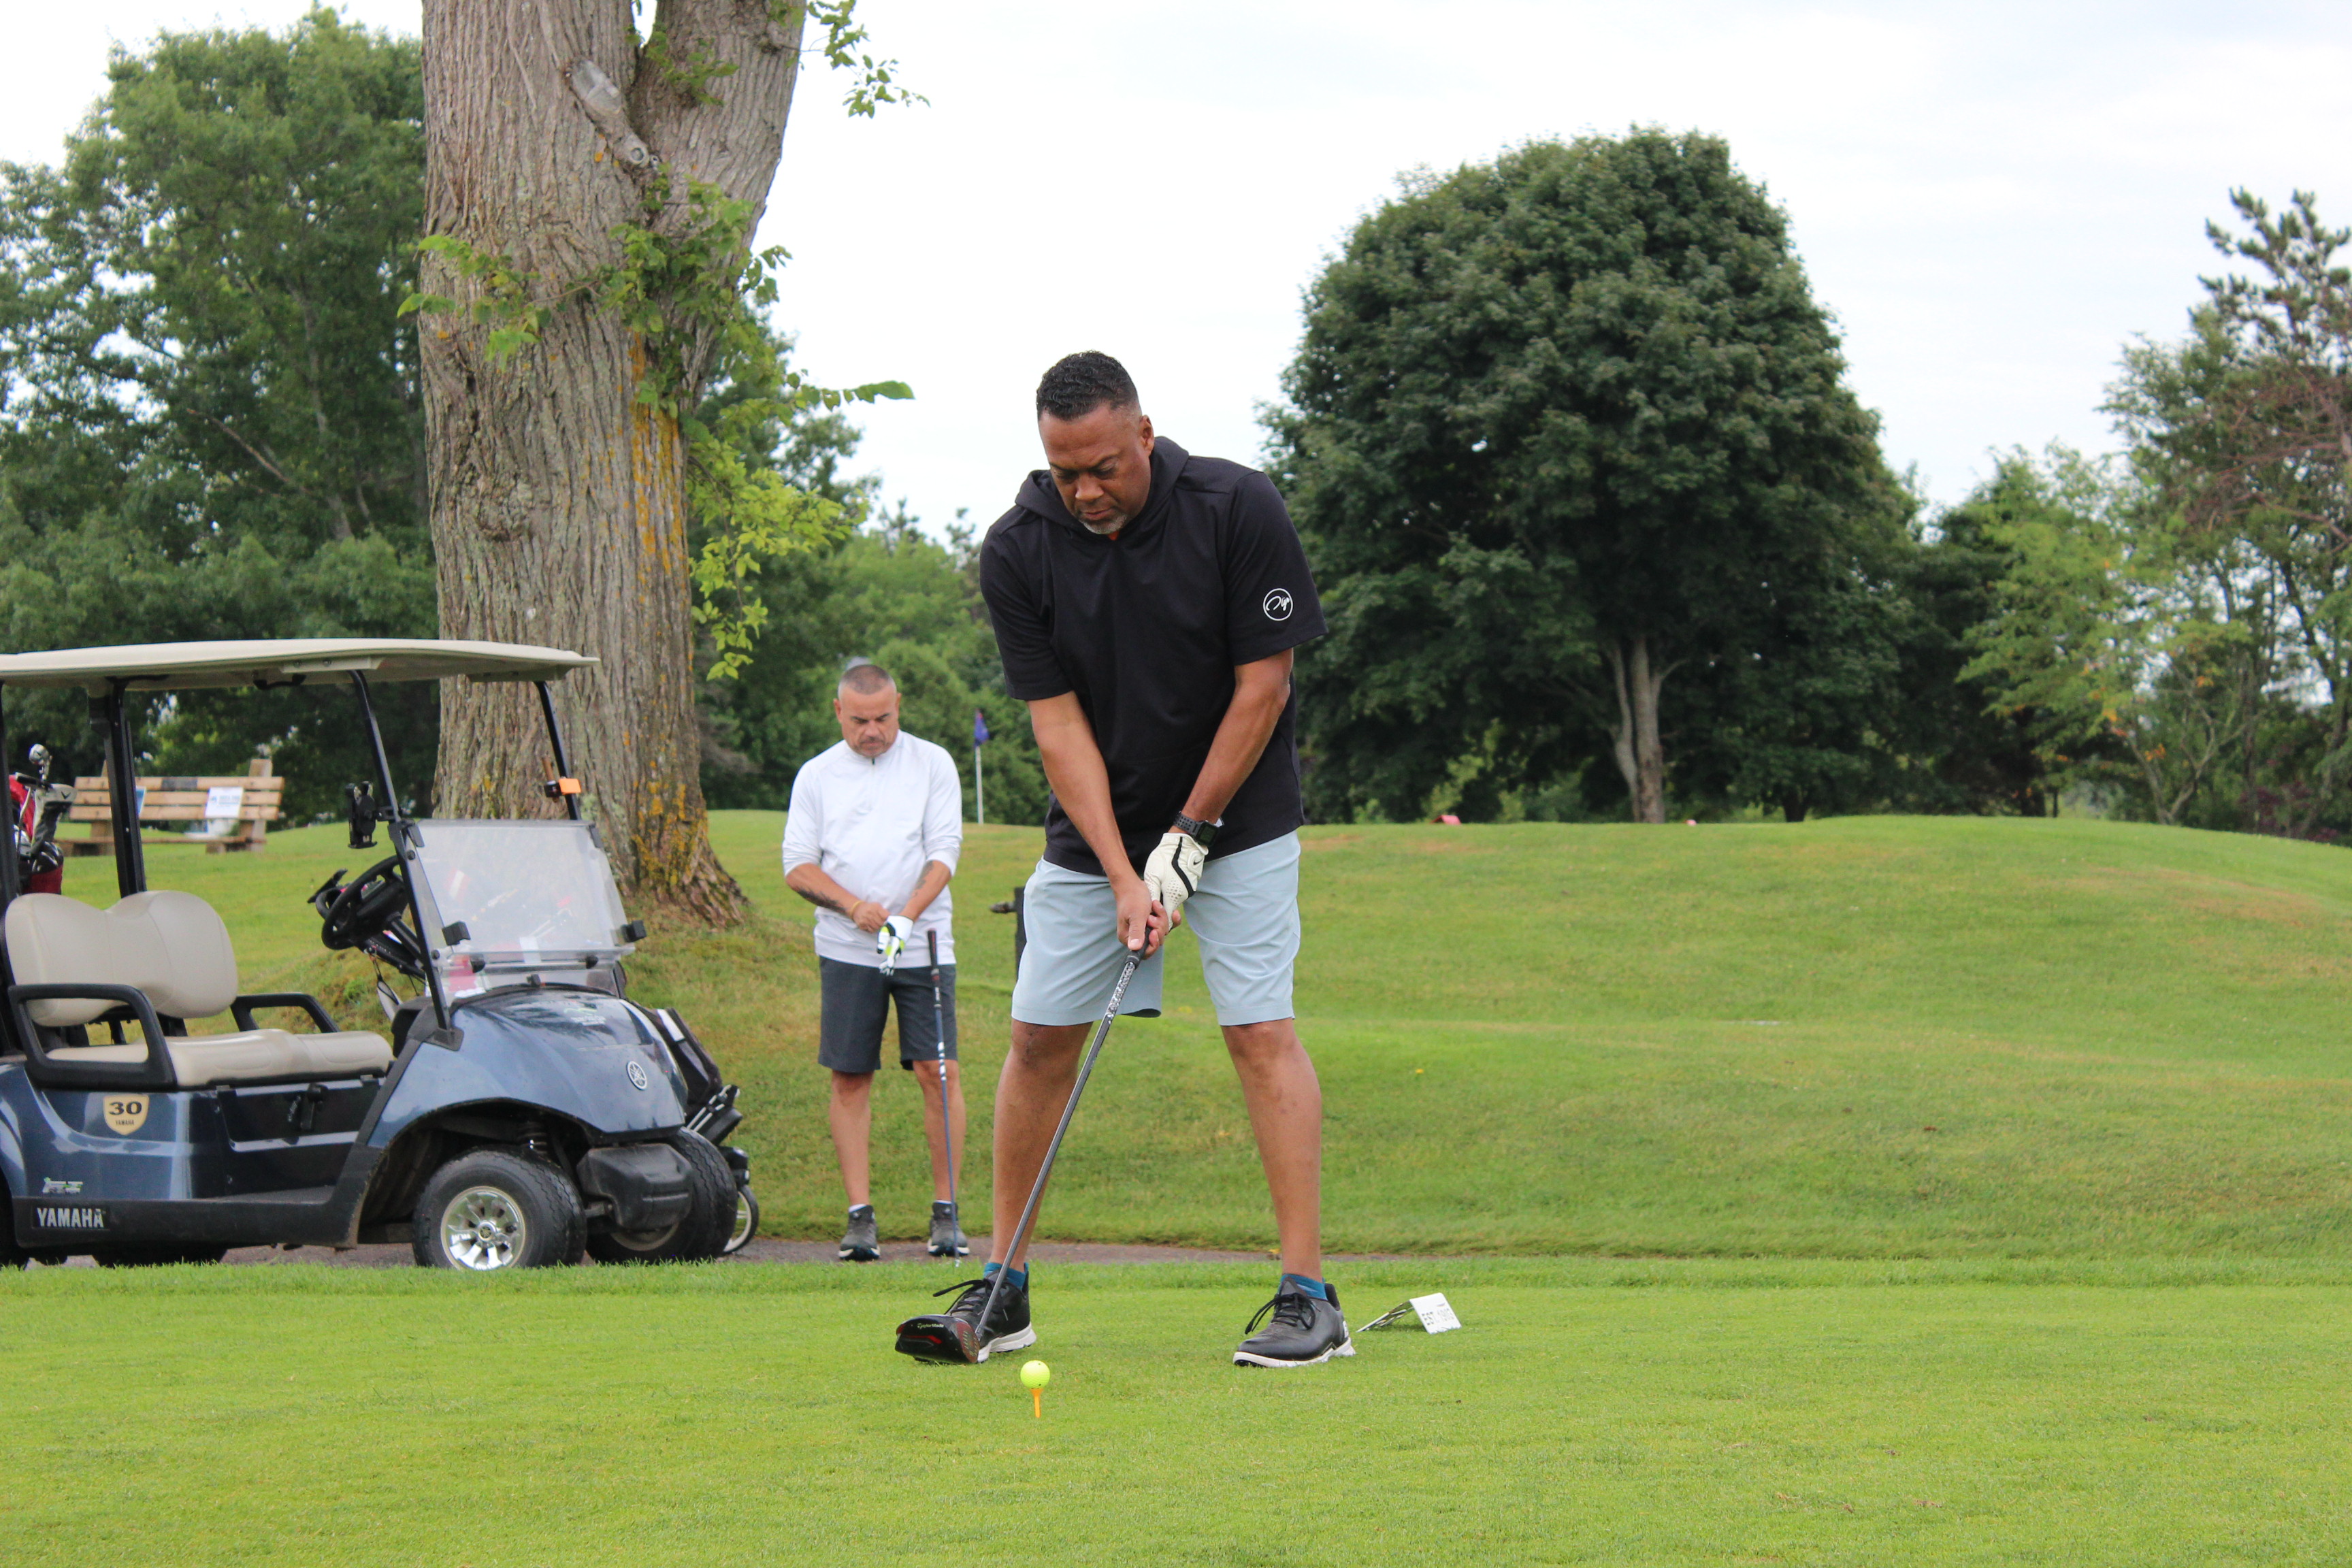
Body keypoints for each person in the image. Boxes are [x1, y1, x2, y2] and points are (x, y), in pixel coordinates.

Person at [913, 350, 1343, 1367]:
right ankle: (1005, 1287)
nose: (1086, 492)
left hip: (1242, 818)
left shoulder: (1235, 508)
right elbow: (1057, 728)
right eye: (1066, 472)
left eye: (1104, 467)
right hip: (1095, 829)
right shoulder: (1019, 549)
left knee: (1260, 1033)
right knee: (1037, 1041)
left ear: (1143, 435)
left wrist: (1190, 836)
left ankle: (1308, 1297)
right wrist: (1120, 871)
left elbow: (1264, 688)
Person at [781, 662, 968, 1262]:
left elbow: (944, 852)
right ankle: (860, 1218)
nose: (872, 731)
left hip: (923, 943)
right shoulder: (817, 776)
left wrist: (906, 915)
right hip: (847, 948)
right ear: (839, 712)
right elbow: (797, 866)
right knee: (850, 1076)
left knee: (939, 1071)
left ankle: (946, 1214)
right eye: (860, 720)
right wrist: (853, 907)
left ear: (898, 706)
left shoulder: (932, 763)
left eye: (883, 718)